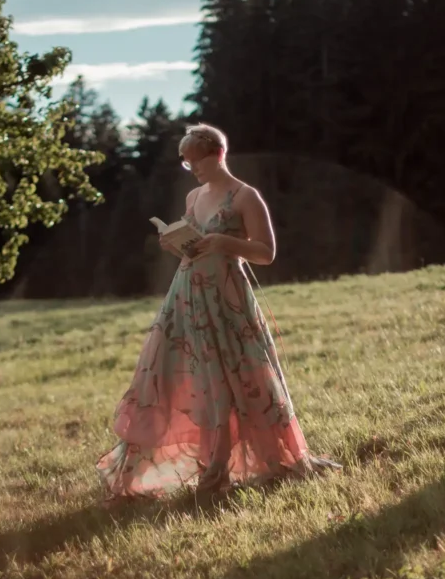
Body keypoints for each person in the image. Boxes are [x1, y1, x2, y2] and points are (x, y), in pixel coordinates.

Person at [97, 123, 341, 498]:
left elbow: (266, 252)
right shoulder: (194, 197)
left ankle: (223, 462)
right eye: (186, 162)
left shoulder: (245, 196)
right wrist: (174, 243)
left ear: (218, 154)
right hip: (186, 294)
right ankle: (199, 460)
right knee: (183, 376)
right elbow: (194, 246)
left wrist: (224, 242)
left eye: (197, 160)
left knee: (231, 376)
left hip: (227, 297)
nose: (192, 168)